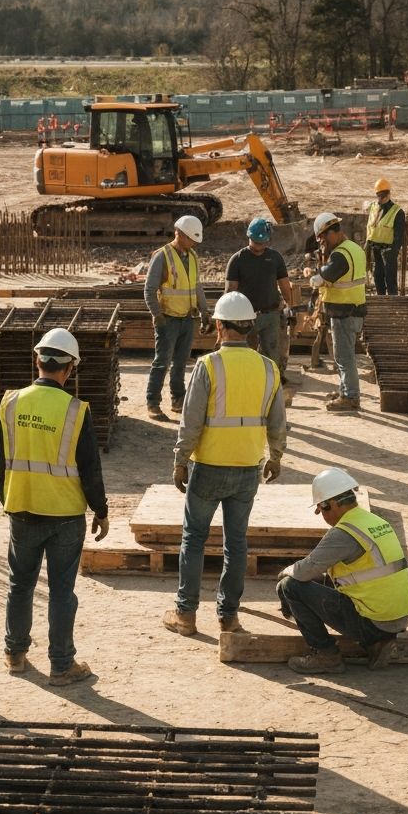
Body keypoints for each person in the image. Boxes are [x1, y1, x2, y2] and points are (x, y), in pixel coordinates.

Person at [0, 328, 109, 686]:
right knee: (61, 592)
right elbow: (90, 469)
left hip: (22, 511)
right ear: (69, 369)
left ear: (36, 360)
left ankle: (15, 654)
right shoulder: (76, 411)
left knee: (20, 585)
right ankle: (61, 666)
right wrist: (100, 510)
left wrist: (10, 498)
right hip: (65, 516)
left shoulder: (10, 403)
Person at [163, 292, 286, 638]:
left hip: (209, 467)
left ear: (219, 326)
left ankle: (186, 615)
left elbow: (190, 421)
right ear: (249, 327)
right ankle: (228, 617)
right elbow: (278, 421)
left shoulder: (208, 366)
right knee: (236, 543)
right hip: (247, 468)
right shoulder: (268, 368)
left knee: (194, 539)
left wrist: (180, 460)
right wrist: (276, 456)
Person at [277, 468, 408, 674]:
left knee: (289, 586)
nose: (323, 517)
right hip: (397, 618)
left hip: (372, 623)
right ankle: (379, 643)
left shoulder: (344, 533)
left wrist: (286, 572)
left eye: (321, 510)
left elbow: (303, 572)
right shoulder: (375, 522)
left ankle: (326, 655)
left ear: (329, 504)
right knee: (315, 581)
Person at [144, 214, 212, 419]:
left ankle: (178, 399)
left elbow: (196, 286)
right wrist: (157, 314)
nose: (193, 243)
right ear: (179, 234)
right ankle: (152, 402)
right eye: (190, 239)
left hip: (187, 318)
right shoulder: (162, 256)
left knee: (181, 362)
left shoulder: (192, 257)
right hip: (168, 318)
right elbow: (149, 289)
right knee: (162, 362)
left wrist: (204, 310)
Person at [311, 212, 367, 413]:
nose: (323, 243)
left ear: (332, 233)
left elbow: (325, 276)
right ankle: (345, 390)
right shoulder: (354, 248)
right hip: (354, 309)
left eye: (323, 238)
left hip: (345, 312)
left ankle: (350, 397)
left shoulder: (340, 255)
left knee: (344, 357)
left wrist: (315, 278)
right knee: (344, 355)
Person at [225, 216, 293, 373]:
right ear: (249, 237)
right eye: (256, 242)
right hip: (245, 318)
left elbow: (284, 283)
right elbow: (230, 293)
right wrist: (229, 320)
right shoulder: (237, 260)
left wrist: (290, 306)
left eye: (262, 243)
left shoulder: (275, 258)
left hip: (270, 315)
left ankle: (272, 382)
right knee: (246, 356)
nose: (259, 246)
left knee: (271, 356)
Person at [365, 178, 405, 296]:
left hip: (388, 251)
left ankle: (393, 302)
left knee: (390, 280)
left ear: (388, 195)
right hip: (376, 249)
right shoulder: (374, 207)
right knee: (378, 278)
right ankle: (380, 299)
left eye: (382, 196)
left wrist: (393, 252)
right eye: (378, 196)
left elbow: (399, 236)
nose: (379, 199)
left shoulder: (397, 212)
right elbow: (371, 225)